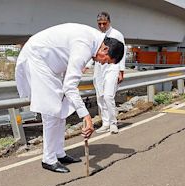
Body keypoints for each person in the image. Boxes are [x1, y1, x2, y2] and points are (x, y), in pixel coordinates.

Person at [15, 23, 124, 173]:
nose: (102, 62)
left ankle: (59, 153)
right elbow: (70, 87)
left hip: (52, 64)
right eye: (106, 60)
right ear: (105, 48)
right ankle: (48, 159)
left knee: (61, 109)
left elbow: (70, 81)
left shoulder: (95, 41)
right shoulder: (84, 47)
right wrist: (87, 117)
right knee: (51, 111)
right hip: (38, 58)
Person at [84, 12, 126, 134]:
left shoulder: (117, 34)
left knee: (108, 96)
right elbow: (93, 52)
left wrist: (121, 71)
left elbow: (122, 54)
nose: (102, 26)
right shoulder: (97, 36)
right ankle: (105, 122)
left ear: (109, 22)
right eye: (99, 24)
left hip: (112, 67)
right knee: (100, 97)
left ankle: (113, 123)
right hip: (99, 68)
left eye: (104, 23)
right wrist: (87, 66)